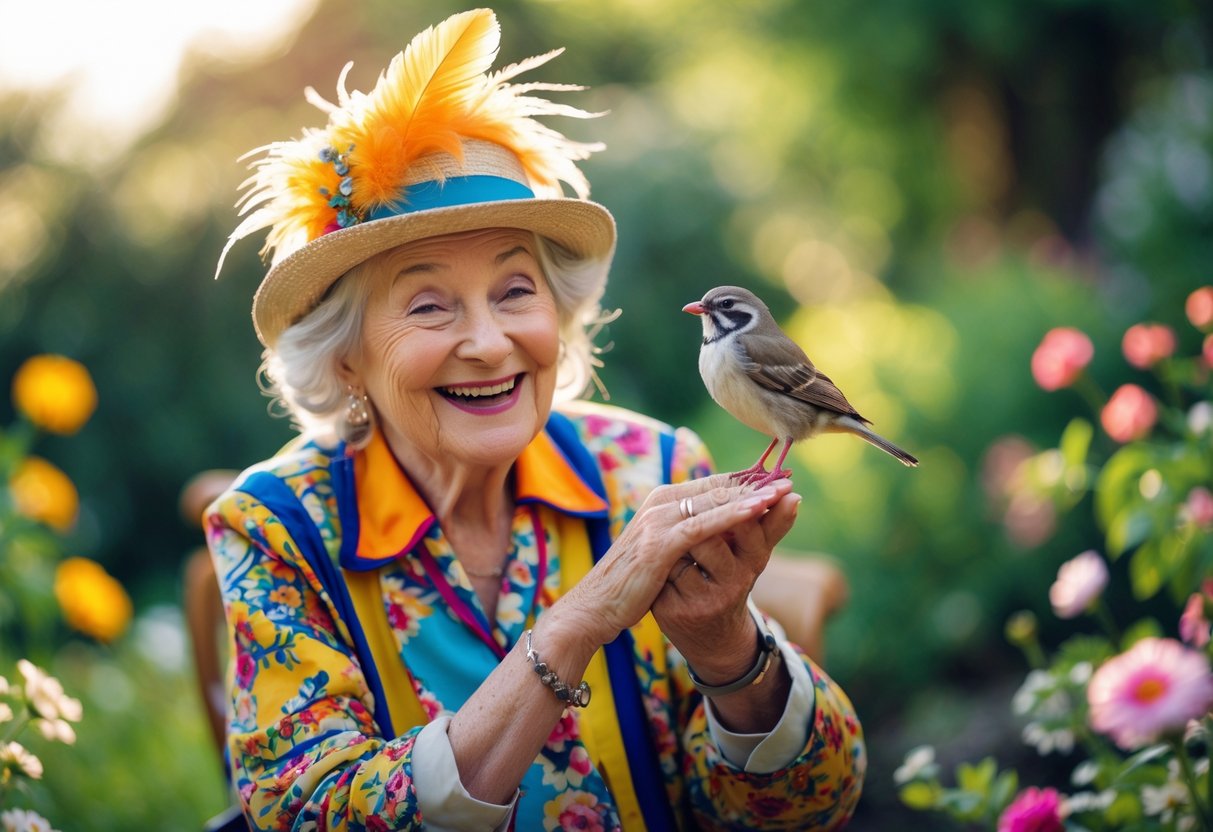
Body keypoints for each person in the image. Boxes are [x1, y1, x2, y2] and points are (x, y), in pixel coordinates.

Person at [205, 9, 864, 831]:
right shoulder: (275, 527)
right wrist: (576, 624)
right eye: (428, 305)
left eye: (516, 291)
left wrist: (729, 653)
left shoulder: (651, 468)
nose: (488, 342)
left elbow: (815, 802)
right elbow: (308, 812)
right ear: (345, 357)